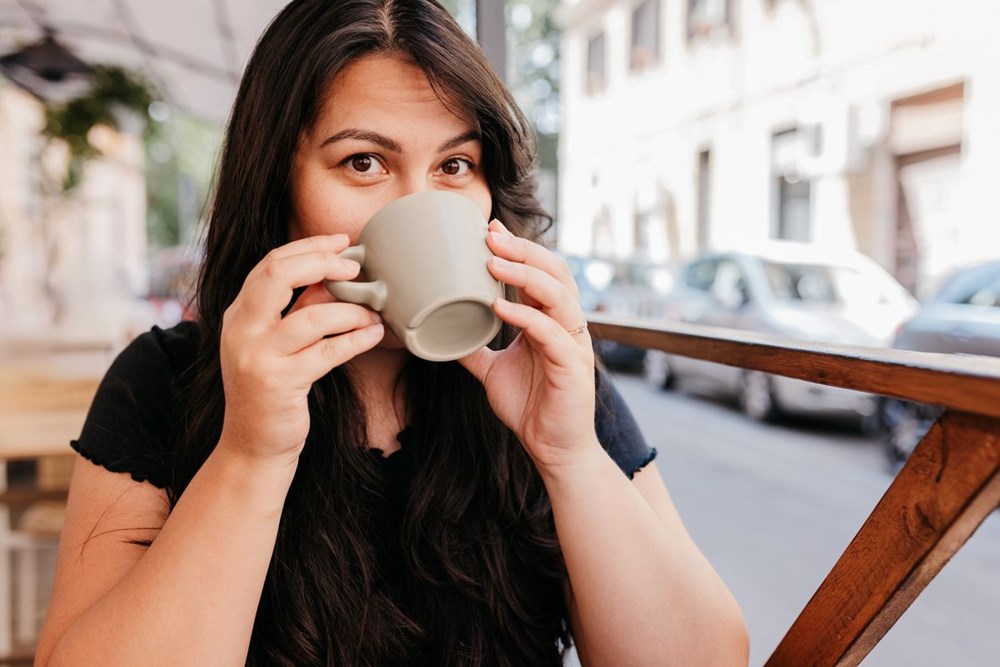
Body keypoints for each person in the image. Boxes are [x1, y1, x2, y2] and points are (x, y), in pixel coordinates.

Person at [35, 1, 748, 665]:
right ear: (275, 188)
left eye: (455, 165)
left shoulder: (545, 375)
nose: (419, 202)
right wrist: (250, 453)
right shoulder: (164, 379)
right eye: (364, 162)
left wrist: (569, 456)